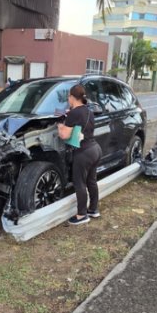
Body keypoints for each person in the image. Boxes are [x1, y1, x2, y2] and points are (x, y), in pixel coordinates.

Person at [57, 84, 100, 225]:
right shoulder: (88, 111)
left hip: (83, 153)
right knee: (91, 181)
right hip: (95, 149)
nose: (67, 99)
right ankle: (93, 209)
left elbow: (64, 135)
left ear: (72, 97)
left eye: (68, 96)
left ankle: (82, 215)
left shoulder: (74, 113)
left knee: (79, 183)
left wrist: (59, 121)